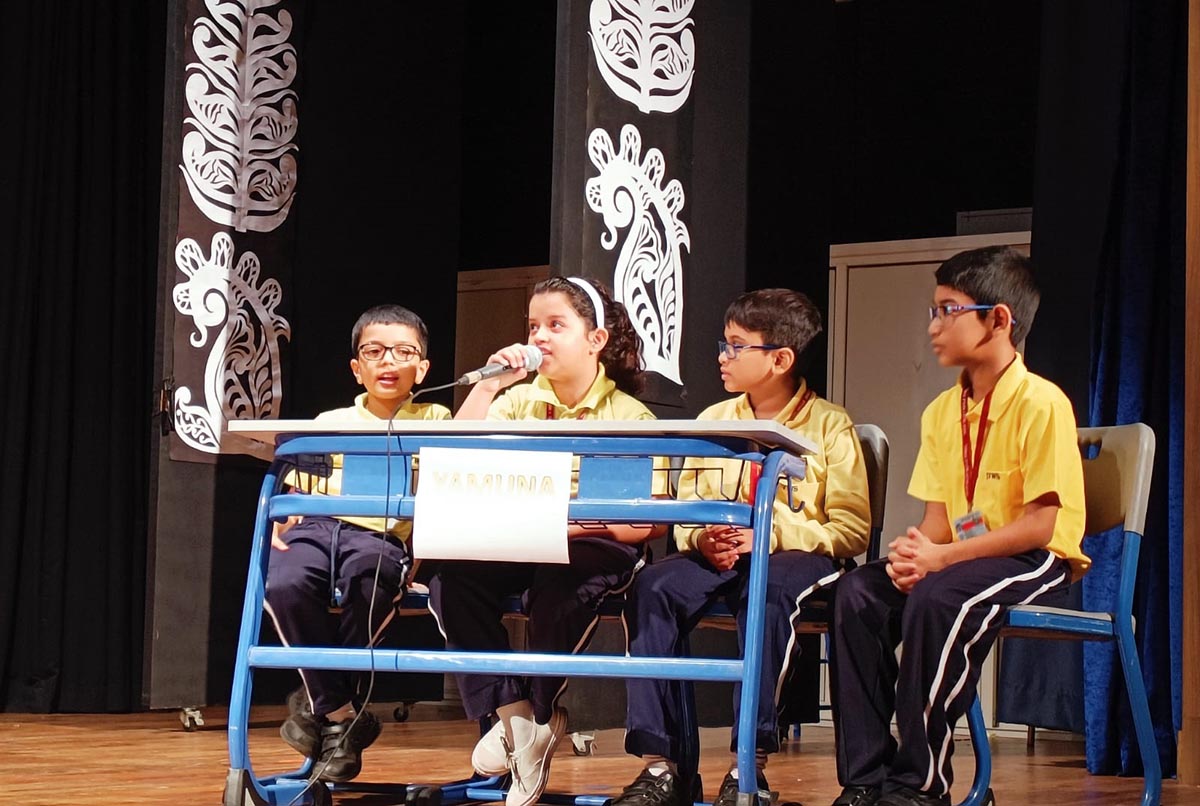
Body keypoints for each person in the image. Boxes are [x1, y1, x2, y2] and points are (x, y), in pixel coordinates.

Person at [827, 246, 1087, 806]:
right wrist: (915, 553)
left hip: (1032, 558)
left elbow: (1041, 527)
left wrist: (941, 561)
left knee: (939, 598)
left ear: (999, 320)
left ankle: (920, 785)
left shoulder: (1042, 404)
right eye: (934, 311)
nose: (934, 327)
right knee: (858, 593)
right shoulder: (942, 412)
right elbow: (940, 521)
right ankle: (865, 779)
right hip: (964, 557)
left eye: (949, 311)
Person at [609, 288, 872, 806]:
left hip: (793, 557)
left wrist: (770, 535)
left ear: (780, 359)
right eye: (723, 344)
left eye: (736, 346)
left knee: (766, 595)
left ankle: (748, 766)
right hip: (720, 553)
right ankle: (661, 766)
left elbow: (850, 528)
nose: (722, 357)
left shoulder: (830, 425)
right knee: (652, 587)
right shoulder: (714, 419)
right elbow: (687, 506)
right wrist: (701, 537)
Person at [428, 276, 667, 806]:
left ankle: (538, 713)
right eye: (533, 325)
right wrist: (487, 386)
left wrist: (573, 524)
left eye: (556, 325)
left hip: (594, 542)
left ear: (596, 339)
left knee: (557, 589)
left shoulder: (630, 417)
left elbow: (646, 524)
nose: (539, 336)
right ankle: (519, 721)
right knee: (452, 580)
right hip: (521, 536)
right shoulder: (517, 401)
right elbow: (455, 460)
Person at [265, 304, 451, 782]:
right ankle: (343, 713)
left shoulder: (437, 417)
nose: (388, 361)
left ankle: (318, 704)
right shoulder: (331, 419)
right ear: (356, 367)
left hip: (380, 536)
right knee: (282, 583)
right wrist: (283, 517)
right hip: (317, 527)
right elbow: (298, 485)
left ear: (422, 368)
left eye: (403, 352)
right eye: (374, 351)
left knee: (372, 581)